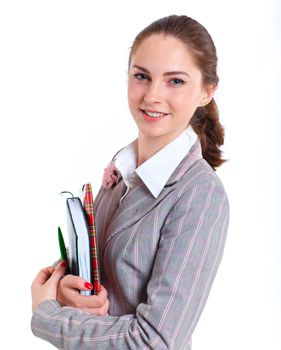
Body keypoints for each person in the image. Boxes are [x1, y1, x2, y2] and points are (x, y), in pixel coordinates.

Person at [31, 14, 230, 349]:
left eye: (175, 81)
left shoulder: (200, 195)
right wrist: (67, 286)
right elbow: (105, 267)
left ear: (206, 92)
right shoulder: (123, 169)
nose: (152, 95)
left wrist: (47, 314)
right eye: (142, 76)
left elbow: (155, 341)